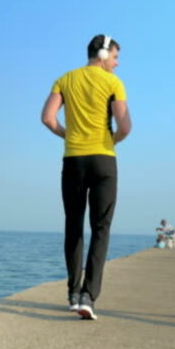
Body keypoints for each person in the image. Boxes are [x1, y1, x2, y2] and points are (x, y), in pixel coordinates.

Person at [41, 34, 132, 320]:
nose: (117, 64)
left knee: (74, 225)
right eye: (115, 58)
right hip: (104, 160)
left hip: (73, 160)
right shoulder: (113, 83)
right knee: (101, 228)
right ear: (103, 54)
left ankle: (72, 292)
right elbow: (125, 125)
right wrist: (111, 140)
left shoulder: (64, 79)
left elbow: (47, 117)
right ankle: (88, 296)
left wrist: (66, 134)